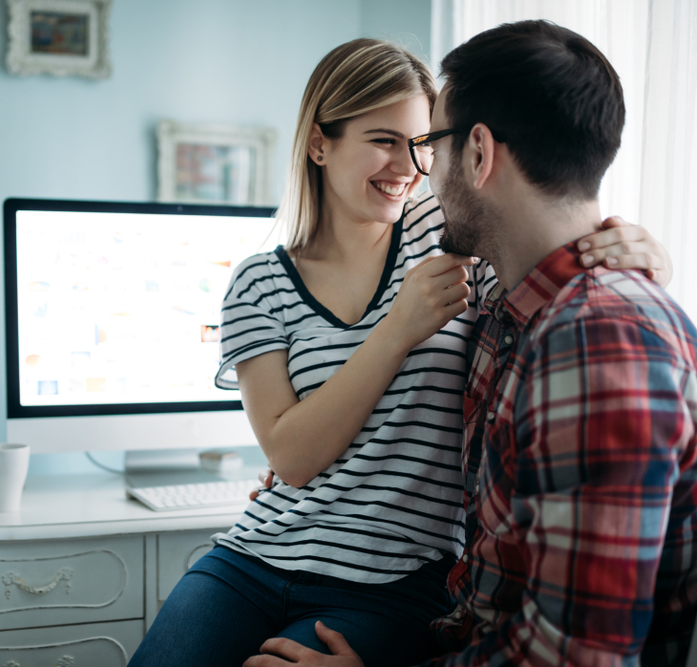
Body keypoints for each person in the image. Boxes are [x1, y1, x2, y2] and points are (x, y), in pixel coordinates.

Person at [127, 38, 673, 667]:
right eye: (384, 140)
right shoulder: (259, 283)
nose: (409, 166)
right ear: (319, 143)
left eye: (420, 144)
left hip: (396, 581)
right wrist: (397, 329)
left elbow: (549, 257)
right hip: (256, 558)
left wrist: (646, 253)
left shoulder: (453, 243)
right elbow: (293, 457)